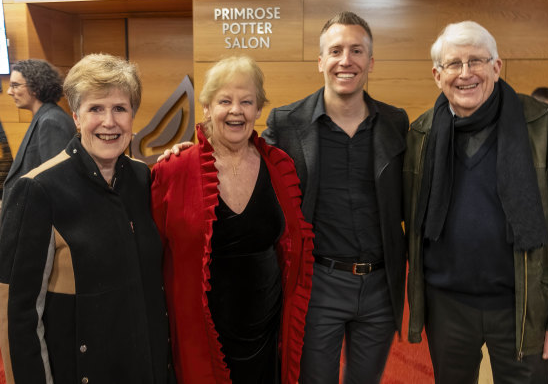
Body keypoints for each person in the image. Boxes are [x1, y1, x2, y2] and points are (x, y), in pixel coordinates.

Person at [404, 21, 548, 384]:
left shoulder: (545, 128)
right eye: (454, 64)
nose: (465, 73)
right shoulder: (421, 134)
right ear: (437, 75)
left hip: (523, 304)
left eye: (477, 61)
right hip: (447, 305)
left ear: (497, 67)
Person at [0, 54, 175, 384]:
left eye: (120, 109)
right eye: (96, 109)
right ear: (76, 117)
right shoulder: (37, 189)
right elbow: (18, 313)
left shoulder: (141, 178)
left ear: (132, 116)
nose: (109, 122)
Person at [262, 11, 409, 383]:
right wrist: (191, 153)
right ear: (320, 61)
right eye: (336, 50)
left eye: (356, 51)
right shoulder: (286, 122)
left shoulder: (396, 123)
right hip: (318, 284)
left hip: (380, 285)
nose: (346, 60)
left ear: (370, 62)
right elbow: (244, 159)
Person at [150, 55, 314, 384]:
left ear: (258, 109)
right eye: (225, 100)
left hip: (267, 328)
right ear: (208, 108)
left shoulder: (279, 166)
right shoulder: (173, 170)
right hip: (204, 331)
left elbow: (291, 244)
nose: (236, 110)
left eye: (247, 101)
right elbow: (152, 254)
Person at [3, 59, 76, 204]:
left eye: (15, 85)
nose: (9, 91)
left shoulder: (51, 121)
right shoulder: (45, 117)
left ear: (36, 87)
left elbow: (56, 183)